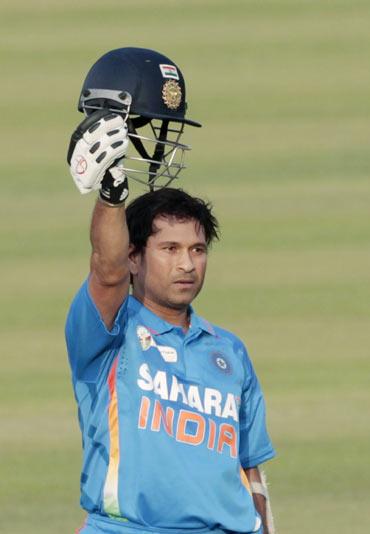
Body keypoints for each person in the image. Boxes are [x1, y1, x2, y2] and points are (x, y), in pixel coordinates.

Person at [66, 48, 276, 534]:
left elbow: (251, 470)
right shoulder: (105, 337)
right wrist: (112, 194)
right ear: (136, 256)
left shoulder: (230, 352)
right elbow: (107, 269)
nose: (187, 263)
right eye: (170, 249)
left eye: (198, 250)